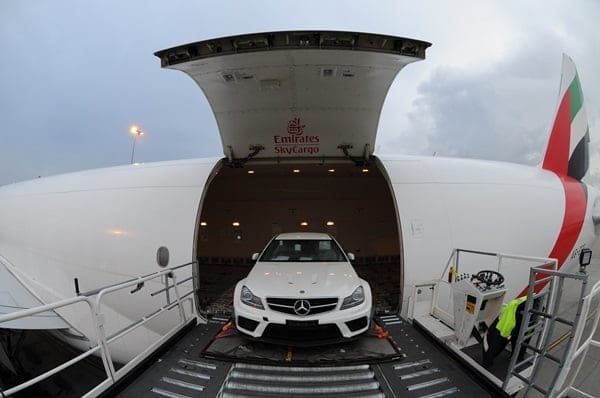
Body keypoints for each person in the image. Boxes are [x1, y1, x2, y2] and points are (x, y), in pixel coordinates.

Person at [482, 296, 528, 368]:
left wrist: (506, 335)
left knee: (492, 343)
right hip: (521, 324)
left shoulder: (513, 305)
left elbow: (505, 329)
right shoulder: (533, 300)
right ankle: (518, 357)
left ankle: (486, 363)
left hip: (504, 328)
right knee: (519, 338)